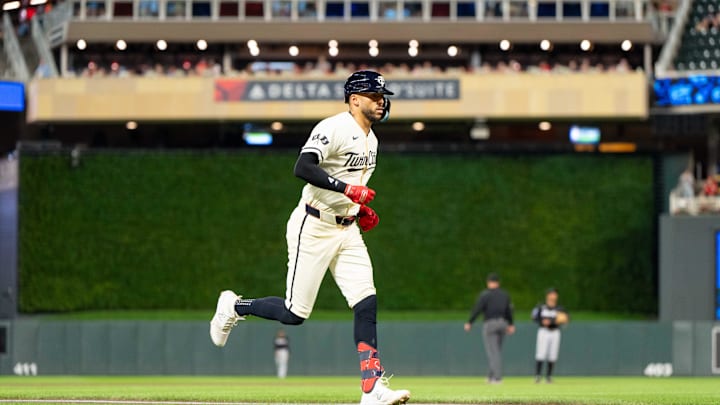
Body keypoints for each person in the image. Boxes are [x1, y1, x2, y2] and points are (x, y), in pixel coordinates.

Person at [209, 70, 410, 405]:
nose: (381, 101)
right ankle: (234, 306)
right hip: (313, 226)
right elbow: (302, 167)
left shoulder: (372, 140)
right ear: (354, 99)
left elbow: (350, 184)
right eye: (374, 96)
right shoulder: (333, 127)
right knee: (294, 313)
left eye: (381, 96)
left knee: (366, 302)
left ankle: (372, 387)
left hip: (347, 230)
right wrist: (348, 190)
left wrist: (358, 210)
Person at [464, 273, 515, 384]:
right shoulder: (504, 295)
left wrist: (470, 322)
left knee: (493, 352)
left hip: (491, 324)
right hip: (503, 323)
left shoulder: (485, 295)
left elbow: (477, 309)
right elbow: (509, 311)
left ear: (488, 283)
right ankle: (491, 376)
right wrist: (511, 324)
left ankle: (497, 378)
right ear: (498, 283)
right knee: (497, 351)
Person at [531, 288, 568, 383]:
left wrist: (556, 321)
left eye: (554, 294)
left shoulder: (559, 308)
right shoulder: (541, 307)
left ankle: (549, 376)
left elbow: (566, 319)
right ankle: (537, 376)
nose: (553, 296)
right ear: (547, 295)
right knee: (541, 353)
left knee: (553, 354)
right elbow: (534, 317)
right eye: (551, 294)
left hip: (555, 331)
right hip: (543, 331)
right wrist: (542, 321)